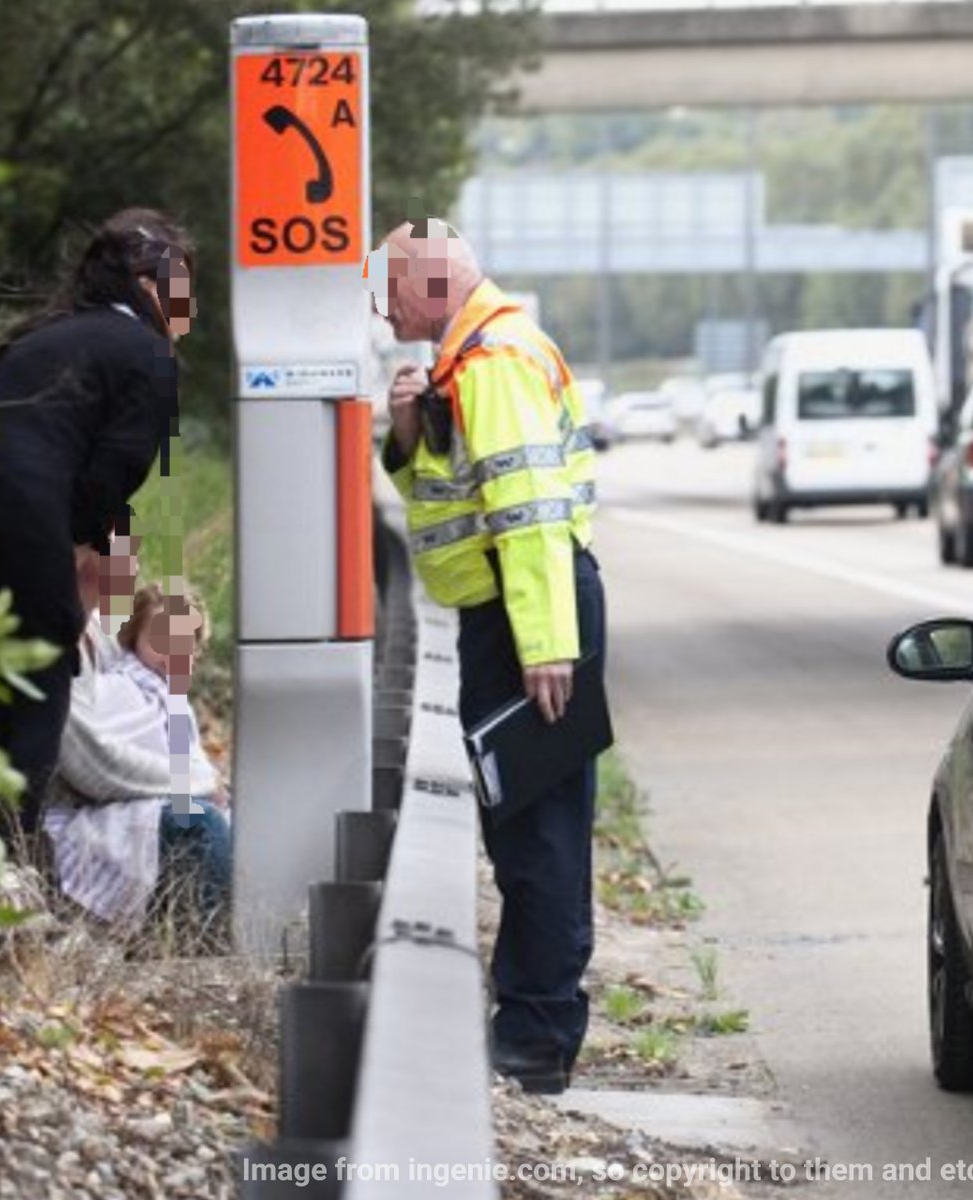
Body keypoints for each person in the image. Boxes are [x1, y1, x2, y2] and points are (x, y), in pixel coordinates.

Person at [370, 216, 606, 1094]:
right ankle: (531, 1020)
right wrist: (407, 436)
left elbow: (530, 514)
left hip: (526, 620)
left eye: (391, 286)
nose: (384, 304)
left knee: (537, 829)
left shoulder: (497, 361)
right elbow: (458, 495)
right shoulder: (464, 363)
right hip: (508, 615)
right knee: (524, 826)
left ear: (432, 281)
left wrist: (546, 646)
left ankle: (535, 1038)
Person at [0, 207, 196, 841]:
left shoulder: (44, 335)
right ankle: (7, 873)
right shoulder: (148, 354)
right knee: (36, 691)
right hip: (22, 527)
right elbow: (108, 480)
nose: (191, 301)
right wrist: (81, 551)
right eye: (184, 283)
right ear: (146, 281)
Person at [43, 572, 230, 932]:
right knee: (199, 823)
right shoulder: (122, 689)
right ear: (134, 641)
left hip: (145, 802)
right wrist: (200, 782)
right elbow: (101, 760)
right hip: (95, 812)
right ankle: (202, 943)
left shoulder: (175, 704)